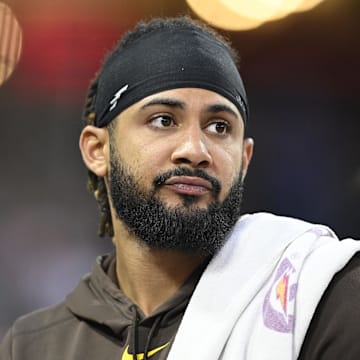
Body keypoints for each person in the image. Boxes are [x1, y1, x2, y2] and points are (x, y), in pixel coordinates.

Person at [1, 16, 360, 360]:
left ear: (245, 158)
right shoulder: (32, 346)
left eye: (219, 127)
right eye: (163, 120)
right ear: (98, 150)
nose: (195, 150)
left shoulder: (319, 304)